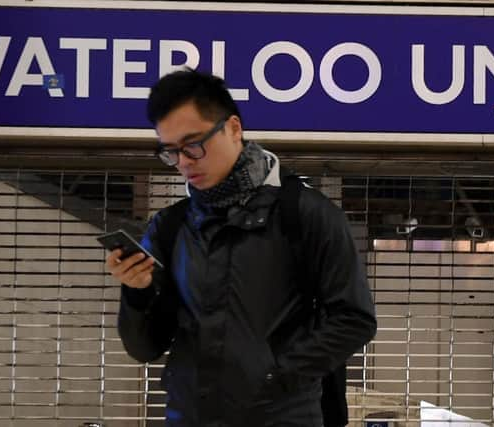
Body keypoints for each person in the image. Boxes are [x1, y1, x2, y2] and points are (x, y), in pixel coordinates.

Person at [106, 69, 377, 427]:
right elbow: (145, 348)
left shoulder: (305, 213)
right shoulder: (170, 227)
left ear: (233, 128)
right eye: (171, 152)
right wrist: (137, 294)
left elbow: (354, 319)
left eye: (193, 144)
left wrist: (276, 378)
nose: (184, 162)